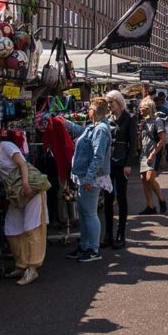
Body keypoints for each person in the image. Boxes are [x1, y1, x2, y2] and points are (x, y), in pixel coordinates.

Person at [0, 124, 47, 284]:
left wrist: (26, 183)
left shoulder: (7, 147)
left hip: (30, 190)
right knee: (11, 229)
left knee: (31, 227)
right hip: (16, 194)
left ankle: (32, 268)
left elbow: (22, 163)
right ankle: (21, 264)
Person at [69, 97, 112, 263]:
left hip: (91, 177)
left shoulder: (101, 129)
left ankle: (94, 249)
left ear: (95, 111)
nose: (87, 111)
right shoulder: (94, 126)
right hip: (86, 175)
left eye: (90, 108)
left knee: (89, 213)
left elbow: (98, 156)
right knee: (84, 212)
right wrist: (64, 123)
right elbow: (82, 131)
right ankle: (85, 246)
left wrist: (88, 177)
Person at [103, 90, 137, 249]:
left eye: (111, 102)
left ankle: (120, 234)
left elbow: (133, 144)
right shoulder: (107, 119)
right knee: (108, 199)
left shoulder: (129, 118)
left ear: (119, 102)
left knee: (121, 198)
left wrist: (129, 164)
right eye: (108, 102)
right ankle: (108, 234)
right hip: (108, 163)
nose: (109, 105)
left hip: (122, 162)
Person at [138, 97, 168, 214]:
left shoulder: (157, 121)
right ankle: (150, 206)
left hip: (153, 152)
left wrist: (152, 154)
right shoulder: (144, 121)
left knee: (150, 178)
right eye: (140, 108)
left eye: (143, 108)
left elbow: (162, 140)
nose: (140, 110)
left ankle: (162, 200)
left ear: (149, 109)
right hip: (144, 152)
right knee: (143, 179)